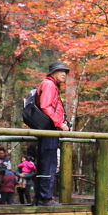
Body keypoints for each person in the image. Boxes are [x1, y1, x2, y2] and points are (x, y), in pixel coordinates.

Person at [34, 60, 71, 205]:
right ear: (53, 73)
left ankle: (40, 197)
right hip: (49, 129)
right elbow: (46, 107)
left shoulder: (51, 85)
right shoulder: (49, 85)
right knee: (48, 163)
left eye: (65, 72)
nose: (64, 74)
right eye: (61, 71)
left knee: (46, 162)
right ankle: (45, 198)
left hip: (48, 128)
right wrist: (60, 123)